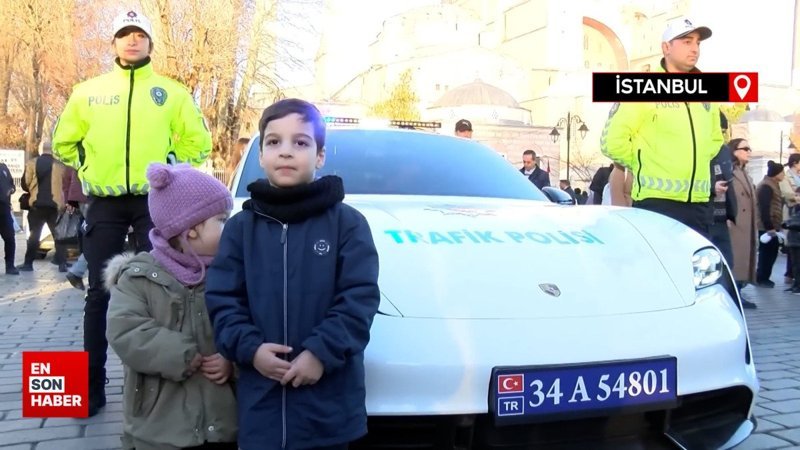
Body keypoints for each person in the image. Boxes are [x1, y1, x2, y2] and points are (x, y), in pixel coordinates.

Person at [52, 10, 212, 417]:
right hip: (104, 202)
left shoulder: (171, 92)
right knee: (99, 293)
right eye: (124, 34)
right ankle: (90, 387)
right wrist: (87, 167)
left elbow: (199, 142)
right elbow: (63, 142)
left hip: (152, 202)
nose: (132, 40)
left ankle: (162, 382)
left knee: (161, 291)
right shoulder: (87, 91)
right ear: (113, 43)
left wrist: (171, 164)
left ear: (150, 43)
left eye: (140, 34)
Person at [205, 98, 380, 450]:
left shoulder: (348, 224)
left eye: (300, 142)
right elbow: (223, 299)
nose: (286, 152)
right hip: (261, 406)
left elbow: (358, 299)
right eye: (274, 142)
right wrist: (251, 349)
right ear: (260, 155)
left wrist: (319, 353)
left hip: (327, 408)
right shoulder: (241, 228)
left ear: (319, 156)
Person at [106, 163, 237, 450]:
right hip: (160, 425)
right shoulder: (138, 277)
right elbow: (125, 330)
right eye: (222, 219)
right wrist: (182, 354)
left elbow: (247, 325)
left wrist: (232, 359)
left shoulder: (231, 273)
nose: (230, 226)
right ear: (190, 230)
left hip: (222, 421)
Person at [601, 17, 720, 238]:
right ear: (666, 47)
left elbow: (714, 140)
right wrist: (648, 163)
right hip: (656, 203)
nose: (694, 48)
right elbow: (611, 143)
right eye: (686, 41)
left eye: (697, 43)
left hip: (700, 204)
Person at [18, 141, 68, 272]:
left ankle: (28, 264)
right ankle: (62, 264)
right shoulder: (60, 166)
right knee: (58, 235)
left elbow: (26, 183)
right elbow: (65, 184)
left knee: (35, 235)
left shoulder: (32, 163)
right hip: (55, 206)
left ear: (41, 150)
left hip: (37, 204)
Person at [728, 139, 759, 304]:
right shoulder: (729, 171)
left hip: (745, 224)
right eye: (745, 148)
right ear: (734, 151)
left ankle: (739, 290)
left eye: (749, 148)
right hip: (735, 223)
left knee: (744, 257)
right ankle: (735, 292)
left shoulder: (744, 172)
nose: (749, 152)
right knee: (737, 257)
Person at [755, 161, 786, 288]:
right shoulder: (767, 186)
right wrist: (769, 227)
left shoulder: (773, 184)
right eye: (782, 172)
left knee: (771, 252)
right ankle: (761, 278)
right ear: (776, 173)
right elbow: (764, 207)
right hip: (767, 226)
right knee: (767, 253)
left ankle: (764, 277)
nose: (784, 175)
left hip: (772, 225)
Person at [62, 165, 88, 290]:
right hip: (91, 194)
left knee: (97, 234)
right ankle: (78, 271)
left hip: (81, 194)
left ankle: (78, 271)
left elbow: (66, 175)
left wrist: (68, 199)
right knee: (102, 235)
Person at [0, 161, 16, 275]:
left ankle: (10, 266)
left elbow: (12, 184)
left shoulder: (3, 167)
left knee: (10, 237)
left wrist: (11, 189)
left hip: (4, 207)